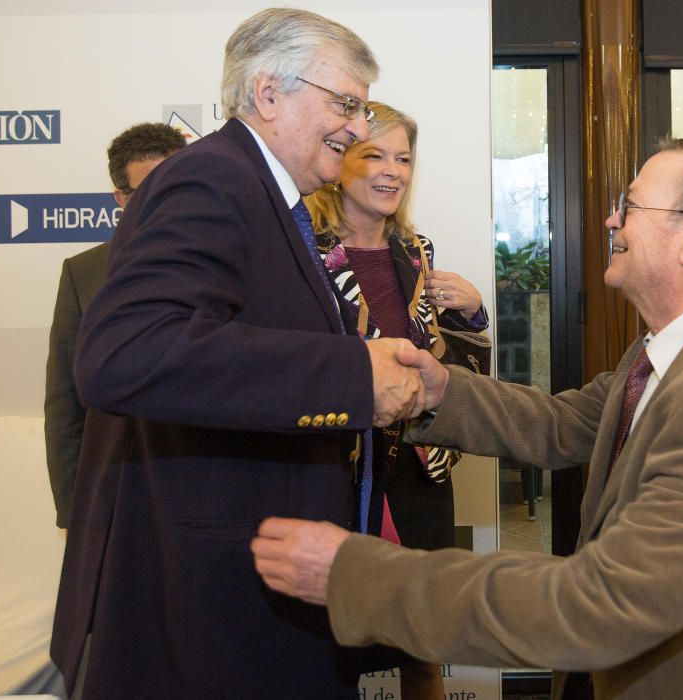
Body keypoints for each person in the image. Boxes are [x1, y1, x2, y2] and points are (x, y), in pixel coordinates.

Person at [252, 136, 683, 699]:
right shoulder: (676, 351)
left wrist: (355, 575)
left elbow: (605, 603)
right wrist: (438, 391)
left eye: (631, 208)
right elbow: (563, 423)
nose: (611, 220)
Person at [50, 9, 423, 699]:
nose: (359, 128)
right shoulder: (213, 179)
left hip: (255, 591)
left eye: (364, 109)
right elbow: (124, 354)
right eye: (346, 103)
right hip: (211, 612)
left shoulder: (272, 198)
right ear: (269, 93)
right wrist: (349, 375)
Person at [305, 101, 488, 697]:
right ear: (339, 161)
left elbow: (448, 361)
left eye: (404, 158)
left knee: (423, 642)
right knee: (327, 644)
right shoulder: (302, 249)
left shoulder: (417, 251)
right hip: (335, 471)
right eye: (375, 155)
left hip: (417, 467)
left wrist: (474, 313)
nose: (393, 171)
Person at [44, 122, 186, 530]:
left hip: (206, 489)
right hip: (119, 492)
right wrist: (75, 510)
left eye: (175, 184)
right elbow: (65, 403)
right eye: (146, 192)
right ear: (121, 198)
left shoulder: (236, 262)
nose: (164, 201)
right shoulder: (83, 273)